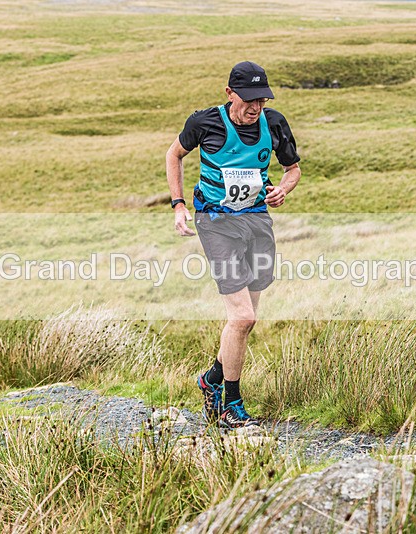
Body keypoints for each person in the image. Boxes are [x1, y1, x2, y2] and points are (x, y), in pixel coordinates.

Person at [165, 61, 301, 428]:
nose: (255, 107)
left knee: (244, 322)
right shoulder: (204, 122)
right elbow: (173, 154)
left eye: (262, 100)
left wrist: (282, 190)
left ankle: (210, 380)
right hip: (216, 223)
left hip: (256, 222)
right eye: (249, 100)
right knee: (243, 316)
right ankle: (231, 403)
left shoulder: (274, 124)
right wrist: (179, 205)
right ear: (230, 94)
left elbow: (293, 169)